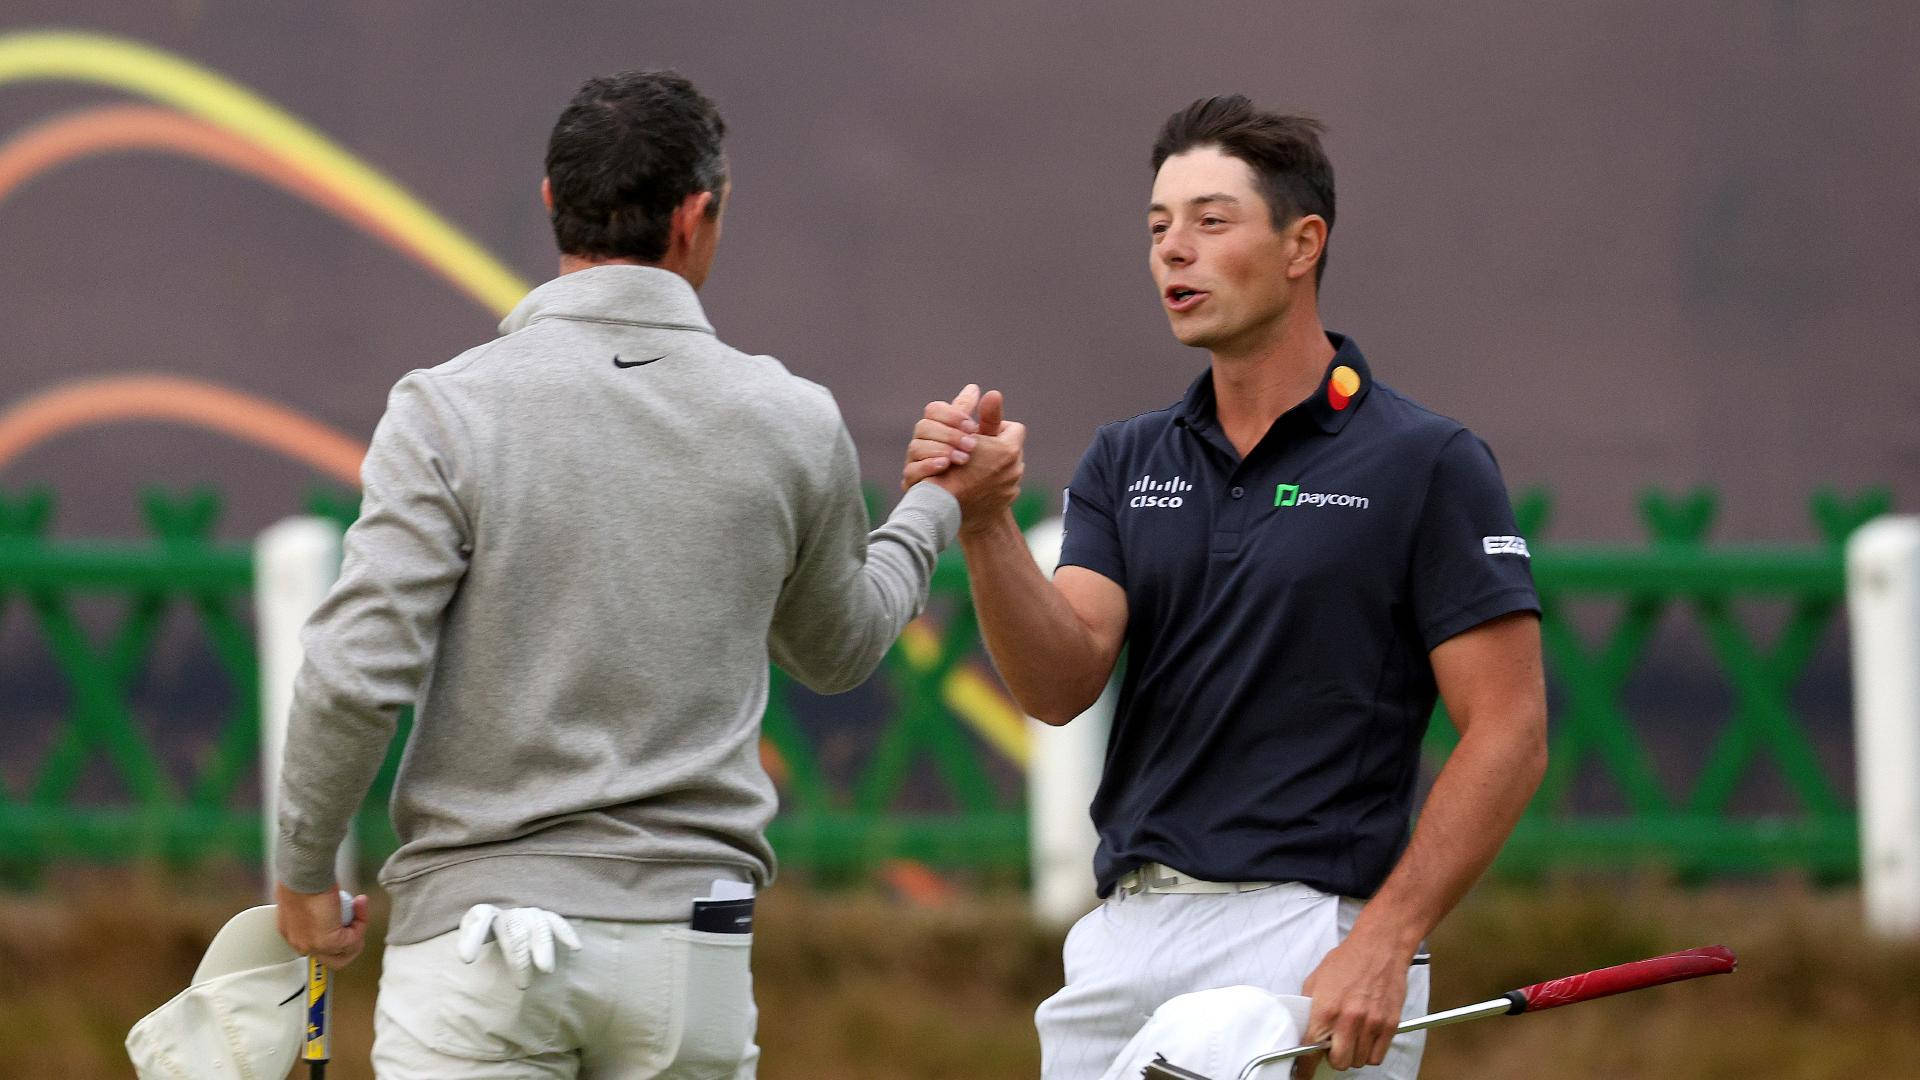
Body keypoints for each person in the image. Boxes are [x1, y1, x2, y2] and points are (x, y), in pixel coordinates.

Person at [271, 70, 1014, 1078]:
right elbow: (838, 652)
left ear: (550, 203)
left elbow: (356, 675)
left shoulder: (445, 410)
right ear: (698, 215)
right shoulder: (789, 418)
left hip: (475, 945)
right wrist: (937, 503)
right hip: (688, 951)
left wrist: (305, 872)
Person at [903, 96, 1548, 1079]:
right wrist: (987, 526)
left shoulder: (1429, 461)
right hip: (1124, 933)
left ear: (1303, 245)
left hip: (1310, 939)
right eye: (1158, 228)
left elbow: (1509, 730)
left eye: (1211, 221)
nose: (1174, 251)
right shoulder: (1127, 458)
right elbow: (1059, 681)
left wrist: (1385, 936)